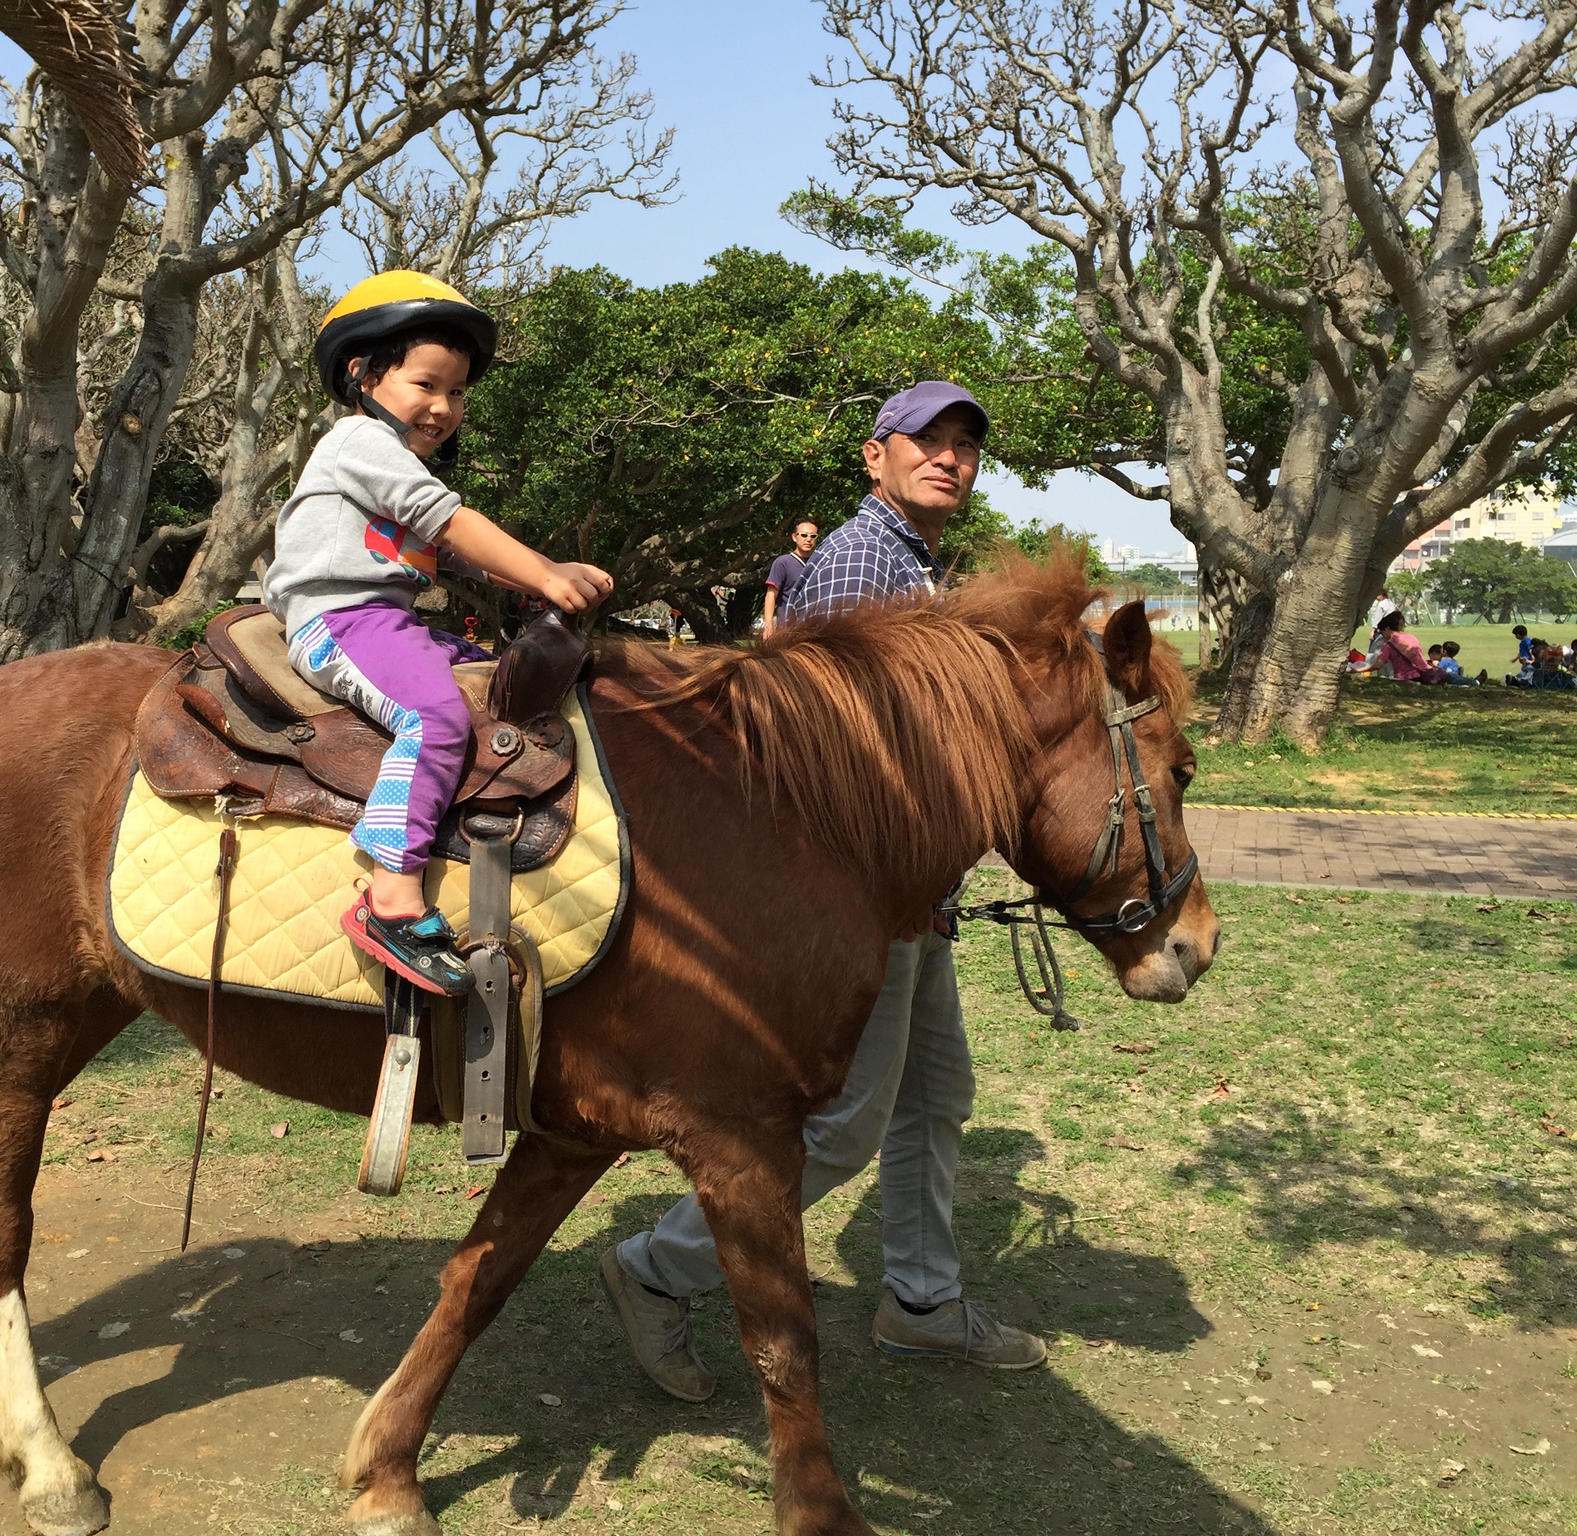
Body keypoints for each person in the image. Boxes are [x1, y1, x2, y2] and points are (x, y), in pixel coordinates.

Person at [597, 380, 1048, 1399]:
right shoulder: (856, 563)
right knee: (843, 1123)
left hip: (912, 890)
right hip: (861, 894)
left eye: (965, 446)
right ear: (872, 456)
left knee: (932, 1099)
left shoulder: (916, 565)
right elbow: (830, 759)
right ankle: (653, 1272)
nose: (948, 457)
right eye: (924, 441)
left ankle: (921, 1301)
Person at [262, 271, 613, 996]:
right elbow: (450, 524)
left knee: (494, 681)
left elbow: (457, 552)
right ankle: (389, 897)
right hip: (342, 618)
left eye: (456, 392)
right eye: (425, 384)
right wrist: (547, 575)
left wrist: (548, 570)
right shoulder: (357, 440)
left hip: (387, 617)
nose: (443, 406)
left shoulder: (396, 460)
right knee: (437, 717)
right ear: (362, 374)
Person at [760, 519, 819, 634]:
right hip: (788, 630)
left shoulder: (818, 563)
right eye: (804, 535)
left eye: (813, 536)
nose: (808, 539)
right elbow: (771, 595)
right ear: (794, 537)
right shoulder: (783, 562)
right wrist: (768, 627)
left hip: (813, 629)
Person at [1372, 611, 1439, 683]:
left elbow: (1378, 665)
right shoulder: (1412, 637)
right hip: (1423, 674)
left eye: (1382, 632)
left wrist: (1360, 670)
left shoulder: (1388, 645)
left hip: (1404, 677)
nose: (1383, 635)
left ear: (1387, 629)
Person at [1366, 588, 1398, 654]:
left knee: (1373, 650)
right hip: (1389, 630)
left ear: (1382, 595)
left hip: (1380, 630)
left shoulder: (1381, 604)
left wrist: (1372, 631)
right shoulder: (1391, 604)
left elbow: (1377, 619)